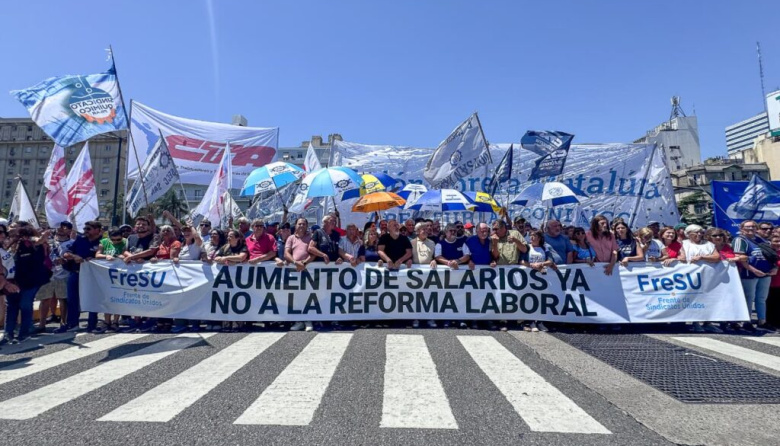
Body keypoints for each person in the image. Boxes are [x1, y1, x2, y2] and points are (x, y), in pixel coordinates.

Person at [732, 220, 778, 331]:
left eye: (753, 226)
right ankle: (746, 321)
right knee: (749, 297)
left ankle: (762, 320)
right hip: (749, 273)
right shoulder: (740, 240)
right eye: (747, 227)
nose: (751, 229)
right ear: (741, 229)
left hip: (766, 273)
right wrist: (753, 270)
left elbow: (772, 255)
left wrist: (775, 267)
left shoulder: (760, 240)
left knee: (762, 298)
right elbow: (740, 258)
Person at [62, 221, 103, 332]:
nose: (85, 231)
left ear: (97, 230)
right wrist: (75, 256)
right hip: (76, 273)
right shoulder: (80, 240)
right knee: (72, 299)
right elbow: (67, 253)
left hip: (93, 277)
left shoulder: (103, 242)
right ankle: (73, 323)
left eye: (88, 229)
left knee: (92, 299)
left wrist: (94, 259)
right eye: (85, 228)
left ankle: (92, 325)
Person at [282, 218, 314, 332]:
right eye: (299, 224)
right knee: (295, 296)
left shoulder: (311, 237)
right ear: (295, 225)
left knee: (308, 296)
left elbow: (313, 252)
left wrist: (304, 263)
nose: (301, 226)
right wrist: (296, 263)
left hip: (308, 270)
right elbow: (286, 253)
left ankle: (308, 320)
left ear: (307, 226)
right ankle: (299, 321)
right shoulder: (291, 238)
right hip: (294, 270)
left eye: (304, 224)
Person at [43, 222, 75, 333]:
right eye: (59, 226)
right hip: (49, 273)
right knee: (47, 298)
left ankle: (63, 322)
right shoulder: (49, 242)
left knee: (62, 299)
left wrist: (67, 260)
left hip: (64, 274)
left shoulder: (72, 243)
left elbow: (75, 258)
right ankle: (46, 320)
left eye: (64, 227)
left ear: (70, 231)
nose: (61, 229)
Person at [521, 230, 556, 332]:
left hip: (542, 278)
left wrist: (541, 264)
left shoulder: (544, 248)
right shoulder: (527, 247)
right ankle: (530, 321)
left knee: (541, 299)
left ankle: (540, 321)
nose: (532, 238)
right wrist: (532, 265)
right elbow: (521, 261)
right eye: (531, 235)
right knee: (530, 299)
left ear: (539, 238)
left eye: (534, 236)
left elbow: (550, 261)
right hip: (528, 278)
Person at [95, 229, 127, 331]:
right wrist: (106, 256)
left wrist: (122, 256)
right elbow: (97, 254)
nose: (116, 242)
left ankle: (116, 321)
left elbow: (126, 253)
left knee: (118, 298)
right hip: (106, 274)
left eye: (118, 239)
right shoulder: (104, 242)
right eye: (113, 240)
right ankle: (107, 321)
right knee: (107, 298)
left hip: (120, 274)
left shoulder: (125, 242)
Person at [411, 222, 437, 328]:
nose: (425, 231)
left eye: (426, 229)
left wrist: (434, 260)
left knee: (429, 297)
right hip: (415, 274)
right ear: (417, 232)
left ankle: (430, 318)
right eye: (422, 229)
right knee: (416, 297)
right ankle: (415, 318)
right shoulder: (412, 243)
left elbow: (436, 256)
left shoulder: (432, 243)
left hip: (428, 274)